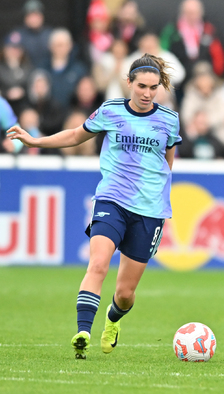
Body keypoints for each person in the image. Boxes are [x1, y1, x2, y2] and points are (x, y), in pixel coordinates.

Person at [6, 53, 182, 360]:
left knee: (125, 294)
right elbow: (75, 135)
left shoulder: (169, 119)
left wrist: (157, 195)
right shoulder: (110, 111)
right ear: (128, 82)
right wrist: (35, 142)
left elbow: (167, 164)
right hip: (111, 199)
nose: (147, 93)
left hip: (149, 211)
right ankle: (83, 332)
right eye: (141, 85)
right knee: (98, 264)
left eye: (154, 88)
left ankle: (112, 321)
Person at [42, 28, 87, 107]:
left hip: (72, 112)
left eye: (63, 45)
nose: (60, 49)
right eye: (57, 45)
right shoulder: (42, 69)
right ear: (50, 46)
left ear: (70, 46)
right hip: (49, 114)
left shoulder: (79, 69)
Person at [9, 0, 52, 68]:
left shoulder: (50, 34)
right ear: (25, 18)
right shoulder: (18, 35)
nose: (33, 19)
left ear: (41, 17)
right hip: (23, 73)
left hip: (46, 72)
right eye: (30, 16)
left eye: (36, 15)